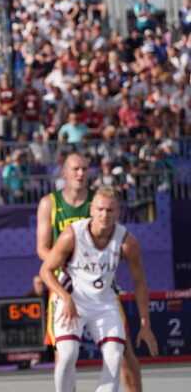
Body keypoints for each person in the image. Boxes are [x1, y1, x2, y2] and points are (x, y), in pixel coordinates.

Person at [36, 152, 142, 392]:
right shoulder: (50, 203)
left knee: (124, 353)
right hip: (66, 282)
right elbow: (42, 248)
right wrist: (65, 261)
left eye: (85, 168)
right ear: (64, 173)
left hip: (101, 286)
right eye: (75, 169)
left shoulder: (101, 201)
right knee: (64, 354)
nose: (81, 173)